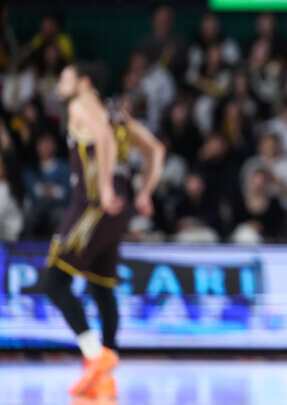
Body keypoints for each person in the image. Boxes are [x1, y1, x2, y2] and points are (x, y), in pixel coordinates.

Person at [43, 62, 165, 400]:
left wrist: (106, 187)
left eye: (64, 79)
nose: (59, 87)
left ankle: (96, 356)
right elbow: (156, 149)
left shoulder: (81, 104)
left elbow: (104, 138)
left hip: (94, 204)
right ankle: (105, 374)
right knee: (101, 288)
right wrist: (144, 192)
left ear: (84, 83)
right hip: (118, 210)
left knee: (54, 282)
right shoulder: (117, 112)